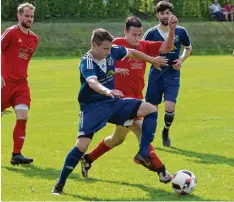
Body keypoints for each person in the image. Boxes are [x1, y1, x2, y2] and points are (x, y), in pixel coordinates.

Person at [52, 28, 173, 195]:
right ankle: (59, 184)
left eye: (110, 48)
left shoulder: (112, 51)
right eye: (105, 49)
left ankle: (143, 153)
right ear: (94, 45)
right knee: (82, 145)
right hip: (93, 107)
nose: (109, 52)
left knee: (150, 109)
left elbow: (131, 53)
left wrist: (152, 60)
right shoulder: (86, 61)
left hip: (113, 103)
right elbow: (93, 82)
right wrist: (106, 91)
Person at [80, 15, 177, 183]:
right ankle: (163, 172)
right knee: (142, 131)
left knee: (117, 139)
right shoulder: (113, 45)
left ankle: (88, 159)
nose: (137, 38)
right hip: (120, 103)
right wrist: (113, 73)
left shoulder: (144, 46)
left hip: (137, 100)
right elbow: (98, 63)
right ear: (125, 31)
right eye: (133, 34)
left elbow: (168, 47)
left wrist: (172, 28)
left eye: (140, 34)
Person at [143, 1, 192, 147]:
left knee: (170, 107)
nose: (165, 16)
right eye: (162, 13)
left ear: (172, 14)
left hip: (172, 73)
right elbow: (141, 52)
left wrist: (181, 60)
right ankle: (148, 140)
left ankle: (165, 131)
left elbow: (188, 48)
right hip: (156, 74)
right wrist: (153, 60)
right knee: (152, 109)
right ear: (157, 15)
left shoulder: (181, 31)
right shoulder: (151, 33)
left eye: (168, 13)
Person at [1, 2, 39, 165]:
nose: (29, 18)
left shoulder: (34, 39)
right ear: (19, 16)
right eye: (26, 15)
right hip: (4, 83)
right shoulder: (10, 33)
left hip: (21, 84)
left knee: (22, 116)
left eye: (31, 16)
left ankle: (16, 154)